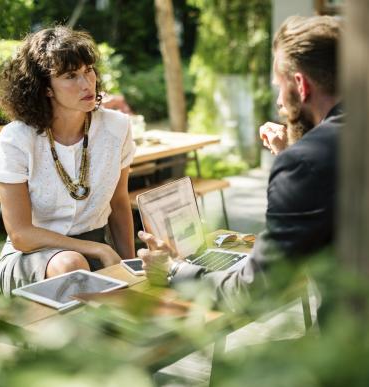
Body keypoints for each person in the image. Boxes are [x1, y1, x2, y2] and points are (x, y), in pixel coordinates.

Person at [137, 15, 343, 304]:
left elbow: (253, 292)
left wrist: (174, 271)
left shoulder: (304, 164)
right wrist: (291, 155)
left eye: (279, 87)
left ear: (301, 85)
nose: (279, 103)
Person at [0, 26, 136, 296]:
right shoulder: (17, 138)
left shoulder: (117, 127)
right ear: (46, 88)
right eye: (71, 76)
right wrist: (97, 249)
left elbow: (118, 202)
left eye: (88, 70)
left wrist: (130, 266)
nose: (87, 83)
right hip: (33, 257)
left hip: (98, 250)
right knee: (72, 265)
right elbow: (21, 235)